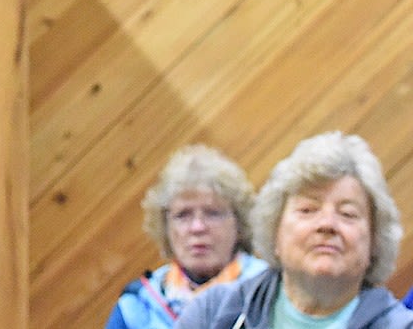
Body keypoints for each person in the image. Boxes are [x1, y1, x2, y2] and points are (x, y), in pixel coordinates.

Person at [175, 131, 413, 328]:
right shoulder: (214, 313)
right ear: (275, 230)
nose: (327, 224)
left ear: (375, 242)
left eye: (348, 214)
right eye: (308, 210)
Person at [106, 144, 268, 328]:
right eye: (183, 215)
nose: (197, 227)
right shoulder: (138, 306)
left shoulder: (270, 291)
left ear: (239, 223)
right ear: (165, 227)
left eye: (212, 213)